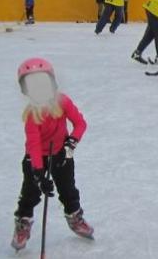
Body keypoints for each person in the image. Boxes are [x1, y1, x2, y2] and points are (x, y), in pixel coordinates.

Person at [10, 57, 94, 252]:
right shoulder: (32, 116)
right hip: (36, 158)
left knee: (68, 190)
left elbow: (81, 124)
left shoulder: (63, 101)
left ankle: (74, 217)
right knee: (30, 194)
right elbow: (34, 145)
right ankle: (23, 223)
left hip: (62, 155)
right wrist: (39, 174)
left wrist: (71, 142)